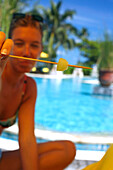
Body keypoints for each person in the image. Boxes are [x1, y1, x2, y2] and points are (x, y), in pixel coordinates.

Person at [0, 13, 76, 170]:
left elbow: (27, 139)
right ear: (9, 45)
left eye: (34, 45)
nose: (27, 53)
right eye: (19, 43)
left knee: (67, 150)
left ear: (41, 49)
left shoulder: (28, 87)